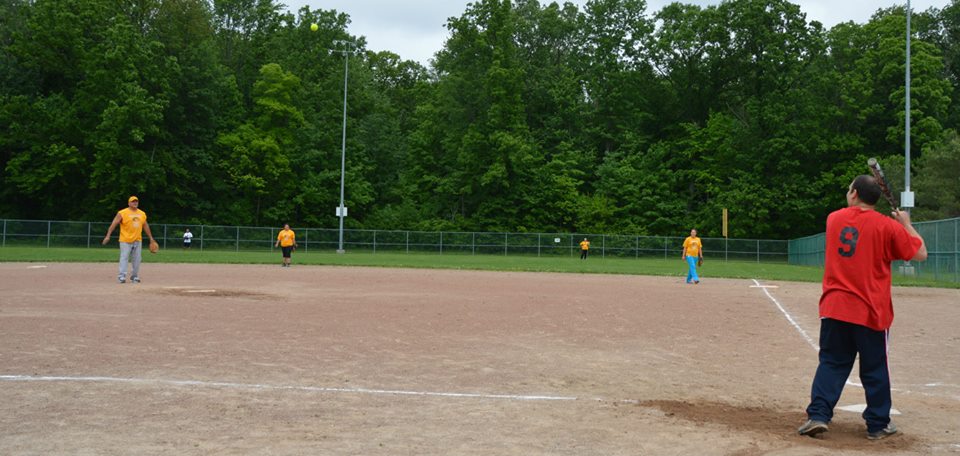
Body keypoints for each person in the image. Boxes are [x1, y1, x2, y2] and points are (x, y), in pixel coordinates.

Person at [798, 175, 927, 440]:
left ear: (855, 194)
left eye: (849, 190)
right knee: (874, 368)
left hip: (836, 307)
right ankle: (878, 424)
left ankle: (819, 415)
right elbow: (920, 254)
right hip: (871, 311)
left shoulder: (834, 219)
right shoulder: (887, 227)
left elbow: (859, 228)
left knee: (832, 363)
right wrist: (906, 225)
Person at [102, 196, 156, 284]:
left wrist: (151, 238)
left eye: (136, 201)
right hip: (125, 240)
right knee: (124, 258)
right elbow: (113, 224)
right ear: (129, 203)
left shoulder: (142, 213)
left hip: (138, 240)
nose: (135, 203)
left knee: (137, 259)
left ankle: (134, 277)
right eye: (133, 201)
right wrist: (108, 235)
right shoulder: (122, 213)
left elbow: (145, 226)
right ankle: (121, 276)